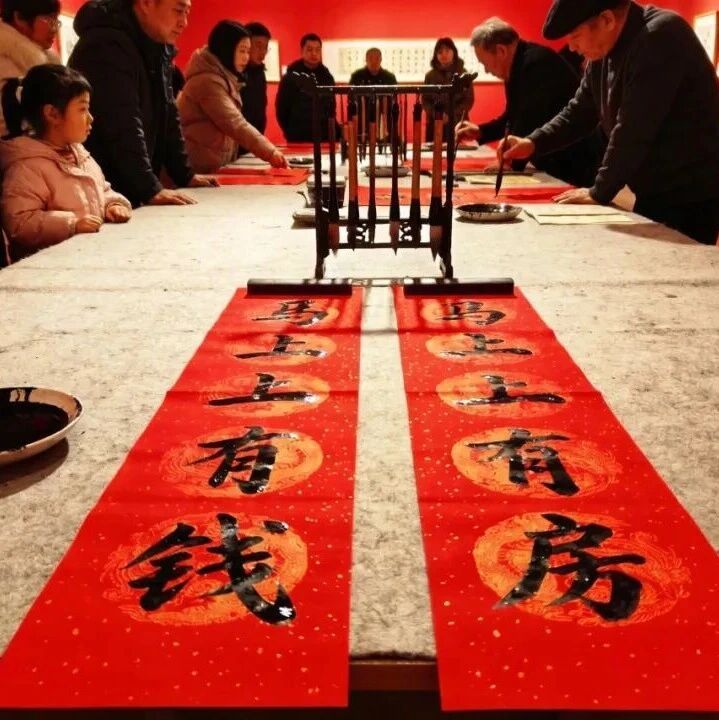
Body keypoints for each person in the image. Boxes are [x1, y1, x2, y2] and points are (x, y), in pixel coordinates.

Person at [500, 0, 719, 245]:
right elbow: (579, 111)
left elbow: (634, 128)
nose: (571, 47)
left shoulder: (660, 35)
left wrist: (600, 191)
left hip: (689, 195)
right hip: (652, 190)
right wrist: (532, 142)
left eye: (575, 36)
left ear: (607, 20)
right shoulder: (603, 51)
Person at [68, 0, 217, 208]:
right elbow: (121, 123)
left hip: (132, 186)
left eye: (187, 13)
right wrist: (149, 188)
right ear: (146, 4)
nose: (184, 22)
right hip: (106, 191)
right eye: (178, 10)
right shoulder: (106, 45)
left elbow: (168, 113)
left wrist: (184, 174)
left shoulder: (157, 47)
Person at [0, 64, 131, 261]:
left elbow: (102, 190)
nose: (91, 118)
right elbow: (20, 222)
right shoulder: (27, 167)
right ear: (52, 114)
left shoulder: (81, 156)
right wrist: (71, 224)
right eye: (82, 109)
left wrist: (112, 205)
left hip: (84, 259)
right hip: (47, 267)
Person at [455, 17, 603, 187]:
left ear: (501, 51)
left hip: (574, 160)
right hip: (557, 155)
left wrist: (510, 161)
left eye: (484, 63)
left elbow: (529, 120)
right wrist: (481, 131)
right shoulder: (518, 64)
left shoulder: (535, 63)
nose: (486, 70)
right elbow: (513, 117)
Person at [177, 20, 287, 173]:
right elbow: (235, 123)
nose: (246, 57)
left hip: (211, 166)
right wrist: (270, 152)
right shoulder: (207, 81)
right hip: (196, 168)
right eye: (242, 51)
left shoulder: (225, 78)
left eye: (248, 51)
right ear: (227, 49)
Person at [0, 0, 61, 137]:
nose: (55, 28)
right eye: (49, 19)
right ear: (19, 17)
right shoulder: (4, 62)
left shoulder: (45, 60)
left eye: (56, 20)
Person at [275, 32, 336, 142]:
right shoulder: (291, 76)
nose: (314, 53)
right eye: (309, 49)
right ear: (302, 51)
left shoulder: (327, 77)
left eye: (317, 50)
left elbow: (331, 108)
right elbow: (282, 109)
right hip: (297, 135)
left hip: (323, 136)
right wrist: (289, 132)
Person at [423, 37, 474, 142]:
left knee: (459, 150)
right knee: (434, 150)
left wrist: (451, 114)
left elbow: (468, 100)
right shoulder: (430, 76)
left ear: (454, 52)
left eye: (447, 51)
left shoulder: (463, 74)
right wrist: (437, 114)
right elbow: (426, 100)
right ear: (436, 55)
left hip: (458, 121)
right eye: (440, 52)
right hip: (435, 122)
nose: (444, 54)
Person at [240, 21, 270, 137]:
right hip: (237, 138)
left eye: (265, 47)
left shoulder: (260, 74)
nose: (262, 52)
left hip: (256, 137)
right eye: (258, 45)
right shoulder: (235, 72)